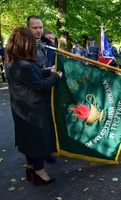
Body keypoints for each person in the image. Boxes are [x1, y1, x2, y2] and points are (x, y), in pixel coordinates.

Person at [4, 27, 63, 186]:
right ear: (24, 43)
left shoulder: (11, 61)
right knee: (37, 141)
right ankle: (39, 171)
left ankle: (30, 167)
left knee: (28, 140)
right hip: (33, 110)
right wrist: (56, 77)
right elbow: (39, 85)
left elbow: (35, 74)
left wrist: (48, 71)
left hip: (21, 108)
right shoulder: (24, 65)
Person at [26, 15, 57, 163]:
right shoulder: (25, 46)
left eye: (40, 27)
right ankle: (38, 159)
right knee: (37, 128)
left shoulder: (44, 43)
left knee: (47, 123)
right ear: (28, 28)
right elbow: (28, 70)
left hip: (47, 85)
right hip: (35, 90)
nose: (38, 30)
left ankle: (46, 151)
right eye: (35, 28)